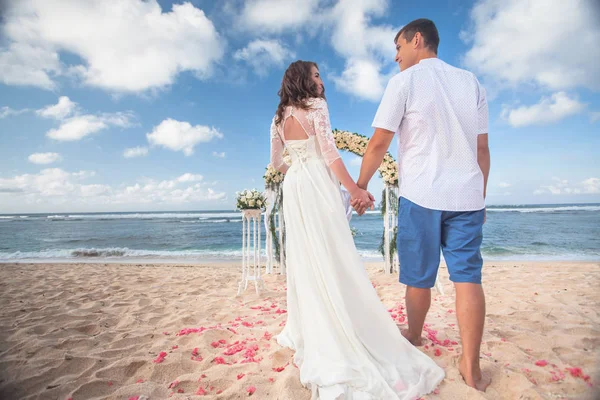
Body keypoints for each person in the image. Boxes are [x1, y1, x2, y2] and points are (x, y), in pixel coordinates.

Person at [270, 60, 444, 399]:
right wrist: (354, 189)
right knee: (333, 251)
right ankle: (342, 324)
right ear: (303, 80)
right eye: (317, 75)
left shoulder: (276, 119)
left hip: (295, 186)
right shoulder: (316, 106)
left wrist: (299, 162)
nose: (322, 80)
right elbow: (332, 152)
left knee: (307, 256)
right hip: (317, 183)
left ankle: (312, 325)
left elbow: (276, 163)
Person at [354, 19, 492, 392]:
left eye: (398, 47)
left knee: (418, 277)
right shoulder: (471, 82)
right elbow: (482, 149)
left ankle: (415, 336)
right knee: (467, 278)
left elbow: (380, 142)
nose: (396, 56)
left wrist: (361, 185)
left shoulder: (405, 82)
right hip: (467, 195)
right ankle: (471, 366)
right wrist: (479, 196)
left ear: (418, 40)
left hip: (422, 195)